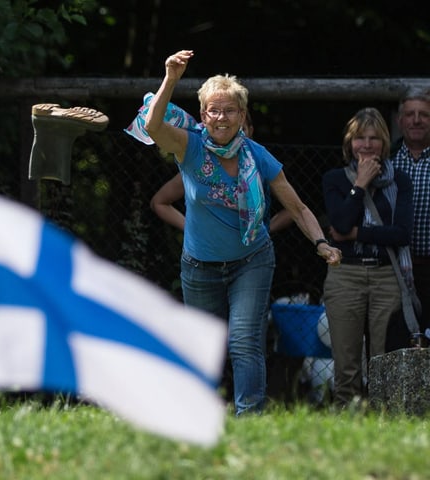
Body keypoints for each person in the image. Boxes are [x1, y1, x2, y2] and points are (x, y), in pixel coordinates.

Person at [137, 49, 341, 415]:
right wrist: (171, 77)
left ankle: (250, 421)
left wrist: (321, 243)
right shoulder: (190, 146)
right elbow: (152, 127)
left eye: (229, 110)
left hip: (251, 260)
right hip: (200, 267)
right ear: (203, 115)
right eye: (213, 110)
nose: (221, 117)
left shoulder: (257, 155)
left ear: (242, 116)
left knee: (244, 341)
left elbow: (297, 207)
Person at [322, 107, 413, 407]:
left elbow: (401, 234)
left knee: (382, 361)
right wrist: (360, 185)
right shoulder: (335, 179)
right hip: (345, 274)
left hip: (387, 276)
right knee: (346, 363)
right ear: (349, 142)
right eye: (360, 137)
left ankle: (382, 423)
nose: (368, 144)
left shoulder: (400, 180)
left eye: (374, 138)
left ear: (385, 142)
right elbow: (340, 225)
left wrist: (356, 235)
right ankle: (346, 421)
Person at [150, 110, 294, 234]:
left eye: (241, 128)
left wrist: (261, 232)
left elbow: (295, 209)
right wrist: (193, 231)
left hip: (253, 255)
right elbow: (159, 202)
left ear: (250, 130)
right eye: (228, 128)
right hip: (207, 254)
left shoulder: (262, 163)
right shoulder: (200, 167)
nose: (234, 134)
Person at [391, 87, 430, 336]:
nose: (416, 120)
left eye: (424, 115)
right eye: (410, 114)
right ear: (400, 120)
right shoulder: (386, 160)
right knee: (400, 339)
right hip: (395, 269)